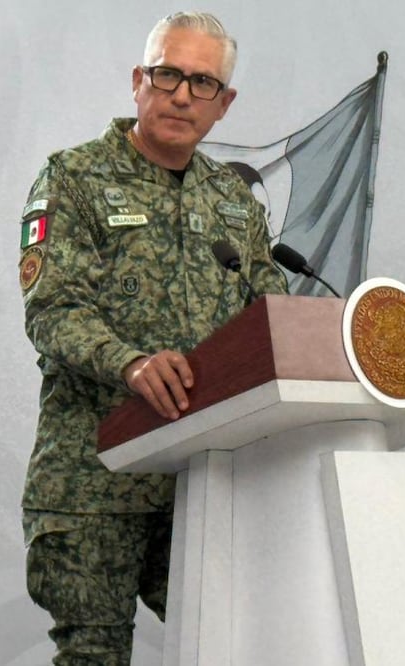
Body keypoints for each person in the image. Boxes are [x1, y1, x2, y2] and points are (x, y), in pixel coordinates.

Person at [17, 11, 287, 664]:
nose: (182, 95)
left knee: (235, 648)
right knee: (94, 656)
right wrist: (131, 364)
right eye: (168, 75)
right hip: (92, 480)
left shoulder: (233, 202)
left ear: (224, 105)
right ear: (139, 81)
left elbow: (272, 318)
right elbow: (52, 311)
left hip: (204, 483)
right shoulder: (75, 179)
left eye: (202, 83)